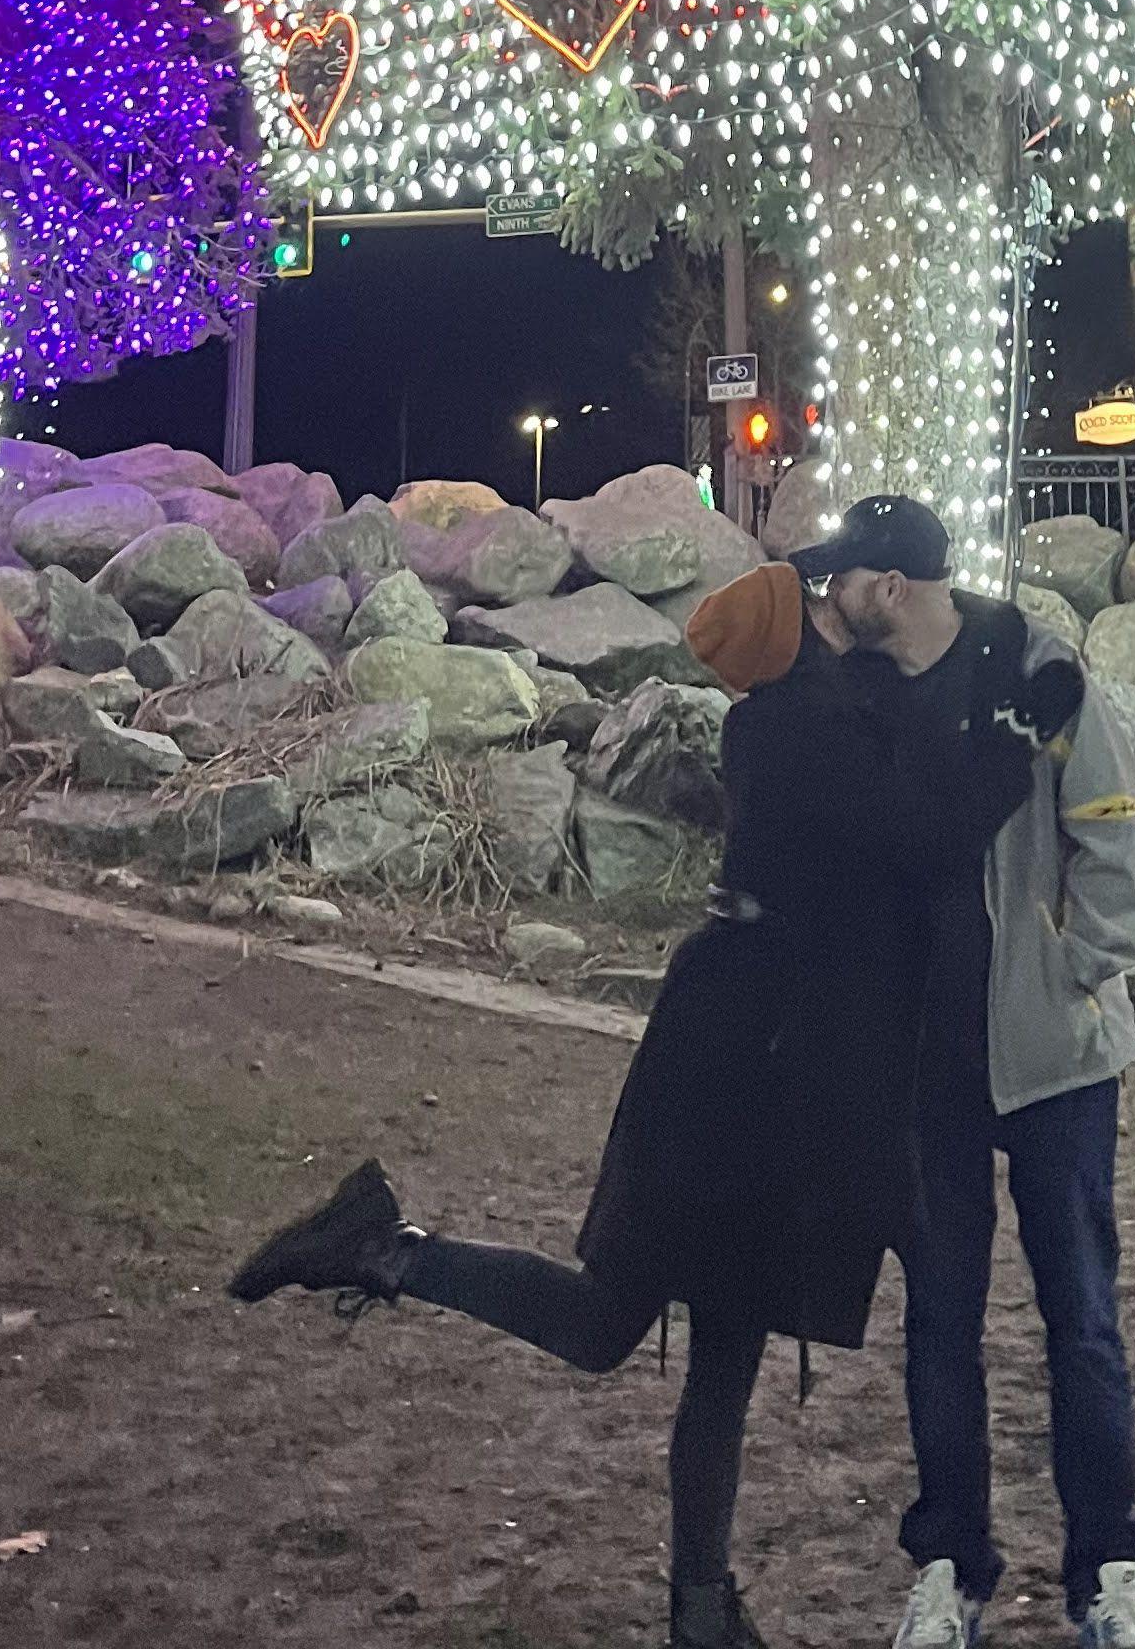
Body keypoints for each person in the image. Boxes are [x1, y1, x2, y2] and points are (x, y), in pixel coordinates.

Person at [228, 541, 1054, 1649]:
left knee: (725, 1349)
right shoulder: (800, 734)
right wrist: (1014, 745)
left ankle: (701, 1608)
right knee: (610, 1322)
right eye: (813, 601)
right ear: (799, 638)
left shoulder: (791, 718)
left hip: (751, 1067)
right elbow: (927, 834)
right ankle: (386, 1250)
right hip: (736, 1088)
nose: (831, 603)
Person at [807, 501, 1135, 1649]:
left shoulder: (1031, 663)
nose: (828, 602)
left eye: (843, 582)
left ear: (895, 588)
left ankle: (1109, 1572)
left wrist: (1079, 967)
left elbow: (1113, 821)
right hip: (924, 1070)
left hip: (1053, 1055)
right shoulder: (855, 701)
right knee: (941, 1325)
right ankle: (950, 1570)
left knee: (1083, 1319)